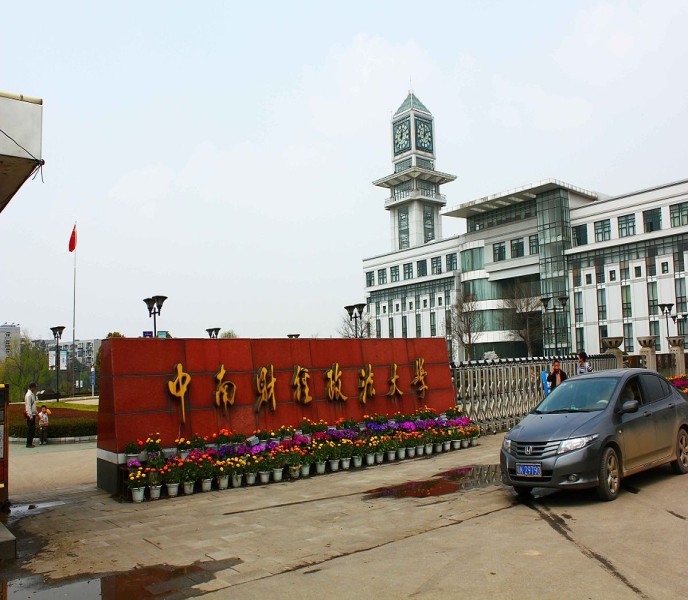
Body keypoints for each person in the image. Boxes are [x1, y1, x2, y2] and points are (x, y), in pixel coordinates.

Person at [24, 382, 38, 448]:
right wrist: (30, 415)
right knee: (30, 430)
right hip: (30, 415)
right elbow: (28, 406)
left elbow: (33, 405)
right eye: (35, 387)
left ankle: (30, 443)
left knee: (32, 430)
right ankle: (28, 443)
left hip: (33, 414)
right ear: (32, 387)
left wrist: (36, 413)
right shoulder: (29, 395)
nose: (35, 388)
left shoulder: (32, 394)